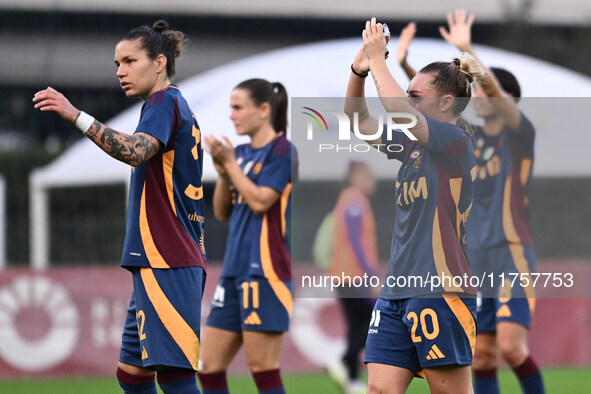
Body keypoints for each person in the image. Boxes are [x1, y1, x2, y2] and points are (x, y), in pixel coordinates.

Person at [33, 20, 206, 393]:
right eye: (117, 64)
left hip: (167, 259)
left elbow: (136, 150)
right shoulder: (171, 104)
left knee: (175, 377)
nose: (120, 71)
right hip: (159, 259)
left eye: (129, 60)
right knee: (132, 374)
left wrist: (76, 115)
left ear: (159, 62)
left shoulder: (162, 102)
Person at [346, 17, 484, 394]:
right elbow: (358, 120)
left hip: (441, 289)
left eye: (416, 96)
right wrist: (358, 71)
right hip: (396, 291)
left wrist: (379, 60)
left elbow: (400, 114)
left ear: (445, 102)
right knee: (378, 390)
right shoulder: (410, 147)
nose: (407, 100)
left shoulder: (456, 142)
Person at [437, 10, 545, 394]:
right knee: (481, 355)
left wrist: (467, 50)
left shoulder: (520, 133)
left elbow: (495, 91)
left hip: (511, 253)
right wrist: (398, 63)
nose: (477, 96)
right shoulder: (473, 141)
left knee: (513, 348)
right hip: (476, 259)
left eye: (481, 90)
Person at [197, 78, 295, 394]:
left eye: (238, 107)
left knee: (262, 369)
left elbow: (261, 201)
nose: (232, 115)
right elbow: (222, 211)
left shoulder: (282, 150)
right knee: (208, 368)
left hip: (265, 273)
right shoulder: (238, 153)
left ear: (264, 109)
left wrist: (230, 165)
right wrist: (225, 173)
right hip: (233, 273)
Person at [325, 161, 379, 394]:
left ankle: (353, 382)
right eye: (368, 175)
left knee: (356, 327)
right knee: (372, 322)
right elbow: (357, 243)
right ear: (355, 176)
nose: (372, 181)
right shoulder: (355, 202)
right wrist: (372, 276)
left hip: (343, 276)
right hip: (352, 276)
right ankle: (342, 361)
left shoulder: (346, 201)